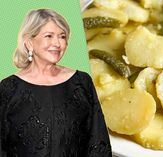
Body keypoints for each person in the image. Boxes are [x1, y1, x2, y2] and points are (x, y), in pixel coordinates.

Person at [0, 8, 112, 157]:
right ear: (29, 42)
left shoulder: (82, 82)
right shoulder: (8, 88)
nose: (57, 43)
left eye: (62, 36)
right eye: (49, 36)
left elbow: (98, 141)